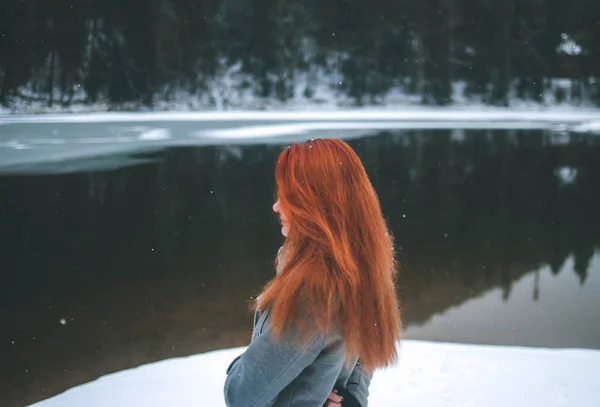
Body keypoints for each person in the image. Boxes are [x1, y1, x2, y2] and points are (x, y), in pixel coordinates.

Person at [224, 138, 402, 407]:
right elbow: (365, 348)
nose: (276, 206)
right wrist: (351, 397)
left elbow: (241, 395)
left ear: (313, 203)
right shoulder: (361, 264)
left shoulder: (313, 290)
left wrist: (240, 365)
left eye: (287, 195)